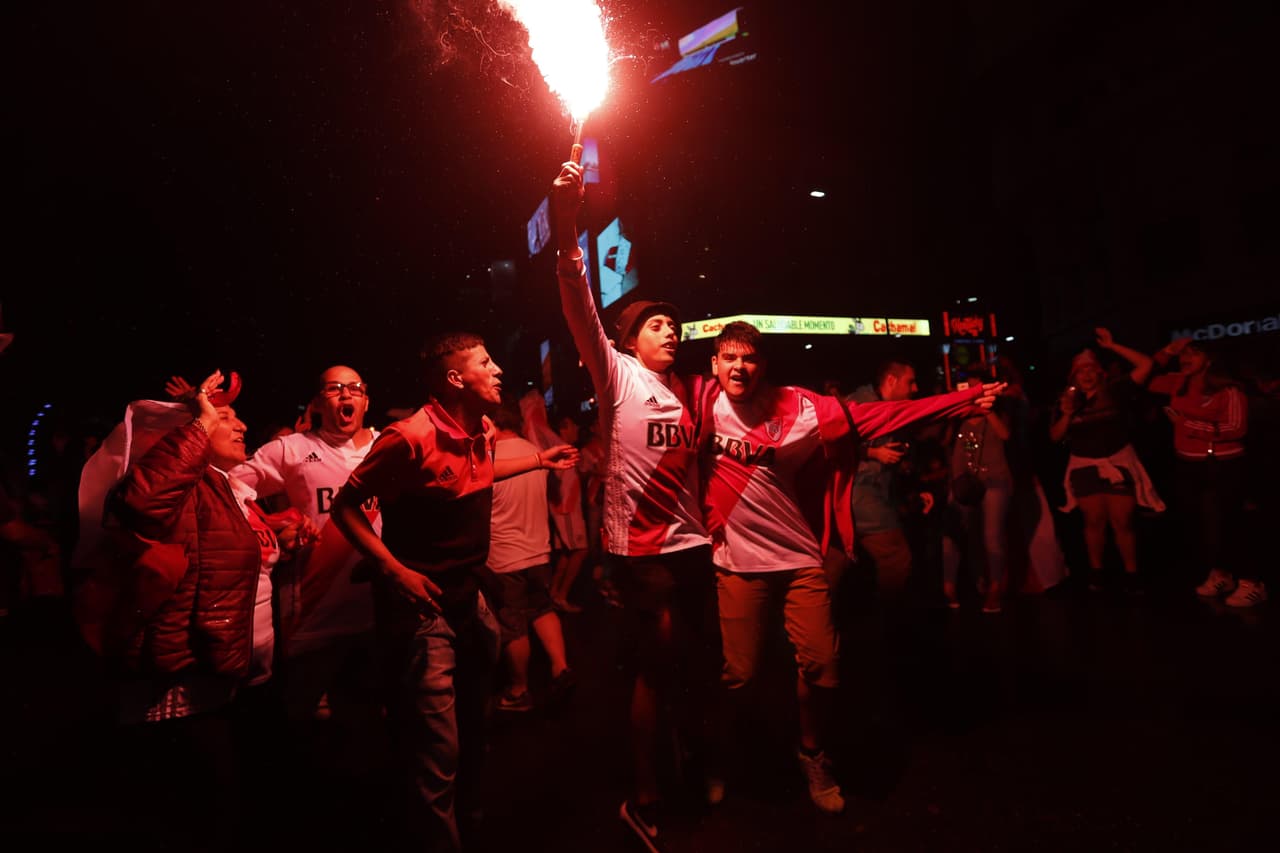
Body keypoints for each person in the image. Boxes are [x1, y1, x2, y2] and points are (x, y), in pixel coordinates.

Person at [701, 322, 1001, 815]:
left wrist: (959, 403)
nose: (739, 366)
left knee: (823, 666)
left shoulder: (800, 407)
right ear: (714, 365)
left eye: (749, 358)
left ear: (763, 366)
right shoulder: (699, 405)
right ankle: (722, 757)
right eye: (729, 357)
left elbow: (878, 415)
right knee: (740, 673)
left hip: (799, 558)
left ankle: (812, 753)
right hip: (736, 563)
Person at [328, 332, 577, 852]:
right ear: (455, 379)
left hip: (471, 600)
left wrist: (538, 460)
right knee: (435, 751)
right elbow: (345, 508)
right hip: (425, 613)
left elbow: (478, 475)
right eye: (485, 363)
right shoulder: (407, 437)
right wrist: (393, 569)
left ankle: (469, 815)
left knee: (472, 725)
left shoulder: (481, 428)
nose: (498, 370)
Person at [553, 159, 720, 851]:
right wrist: (567, 219)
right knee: (654, 666)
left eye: (674, 325)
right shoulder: (615, 372)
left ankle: (686, 756)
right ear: (628, 339)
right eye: (656, 324)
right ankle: (644, 790)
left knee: (690, 663)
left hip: (690, 547)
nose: (670, 331)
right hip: (638, 551)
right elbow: (574, 292)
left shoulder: (687, 390)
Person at [81, 371, 312, 851]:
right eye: (225, 418)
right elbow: (140, 504)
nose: (242, 424)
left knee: (252, 803)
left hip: (240, 677)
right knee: (204, 815)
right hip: (189, 681)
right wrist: (200, 420)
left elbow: (222, 556)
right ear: (188, 436)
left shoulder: (230, 489)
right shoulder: (181, 486)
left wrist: (280, 542)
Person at [228, 364, 385, 839]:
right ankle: (293, 820)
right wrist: (276, 523)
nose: (345, 396)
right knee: (297, 719)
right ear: (317, 402)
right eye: (334, 389)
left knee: (366, 717)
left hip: (378, 608)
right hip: (314, 612)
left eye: (354, 389)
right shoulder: (292, 450)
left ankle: (366, 818)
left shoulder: (385, 447)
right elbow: (233, 485)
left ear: (366, 400)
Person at [1049, 329, 1164, 593]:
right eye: (1081, 370)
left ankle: (1131, 573)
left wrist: (1113, 346)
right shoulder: (1067, 400)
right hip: (1084, 466)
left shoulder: (1116, 390)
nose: (1086, 374)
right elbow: (1055, 437)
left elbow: (1146, 364)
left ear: (1099, 372)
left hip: (1118, 462)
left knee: (1122, 521)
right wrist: (1066, 414)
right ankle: (1097, 572)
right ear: (1074, 376)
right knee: (1093, 521)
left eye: (1091, 369)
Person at [1146, 338, 1259, 606]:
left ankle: (1252, 582)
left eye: (1193, 353)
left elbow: (1236, 428)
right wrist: (1166, 351)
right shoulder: (1177, 382)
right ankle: (1222, 574)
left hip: (1222, 464)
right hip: (1188, 464)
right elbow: (1144, 376)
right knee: (1200, 524)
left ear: (1209, 359)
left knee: (1229, 522)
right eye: (1182, 353)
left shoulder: (1228, 389)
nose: (1185, 358)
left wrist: (1186, 424)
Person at [488, 403, 576, 713]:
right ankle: (560, 667)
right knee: (542, 609)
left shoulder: (491, 457)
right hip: (539, 550)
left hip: (504, 555)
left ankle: (518, 690)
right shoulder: (533, 450)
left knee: (514, 624)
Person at [847, 361, 932, 598]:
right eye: (910, 382)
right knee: (896, 556)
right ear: (891, 381)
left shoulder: (890, 409)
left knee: (833, 565)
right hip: (859, 496)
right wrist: (873, 453)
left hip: (870, 496)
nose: (915, 389)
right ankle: (894, 623)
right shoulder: (859, 405)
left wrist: (913, 487)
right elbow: (831, 443)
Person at [941, 378, 1015, 612]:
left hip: (993, 480)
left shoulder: (996, 414)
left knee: (992, 537)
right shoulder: (959, 419)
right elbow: (944, 441)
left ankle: (995, 589)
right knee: (951, 535)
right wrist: (952, 405)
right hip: (963, 482)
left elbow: (1005, 435)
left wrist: (986, 408)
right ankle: (949, 587)